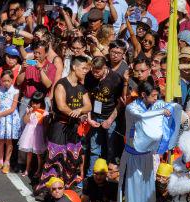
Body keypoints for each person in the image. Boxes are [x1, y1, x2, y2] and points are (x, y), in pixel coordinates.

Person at [118, 80, 175, 202]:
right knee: (133, 190)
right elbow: (142, 117)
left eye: (157, 96)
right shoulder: (131, 108)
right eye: (154, 96)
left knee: (146, 188)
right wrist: (161, 112)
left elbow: (167, 108)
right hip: (133, 156)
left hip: (148, 155)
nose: (156, 99)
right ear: (143, 95)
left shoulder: (153, 105)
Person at [37, 55, 91, 192]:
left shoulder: (81, 87)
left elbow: (88, 106)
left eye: (87, 68)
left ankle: (66, 186)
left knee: (72, 157)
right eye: (84, 68)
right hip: (60, 126)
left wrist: (79, 110)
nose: (86, 71)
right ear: (74, 67)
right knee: (55, 158)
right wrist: (76, 112)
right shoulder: (61, 84)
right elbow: (61, 106)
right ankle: (48, 189)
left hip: (73, 127)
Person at [84, 55, 124, 175]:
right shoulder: (89, 77)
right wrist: (89, 118)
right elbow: (88, 98)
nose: (95, 74)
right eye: (93, 71)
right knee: (94, 148)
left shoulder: (115, 79)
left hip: (110, 117)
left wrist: (110, 120)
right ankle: (91, 175)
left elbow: (120, 103)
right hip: (94, 116)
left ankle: (109, 176)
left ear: (105, 67)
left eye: (98, 71)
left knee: (111, 150)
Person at [0, 69, 20, 174]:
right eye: (4, 80)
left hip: (10, 118)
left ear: (12, 80)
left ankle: (7, 162)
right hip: (0, 118)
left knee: (9, 141)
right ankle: (0, 161)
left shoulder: (15, 91)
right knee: (0, 140)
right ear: (1, 80)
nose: (6, 83)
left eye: (8, 80)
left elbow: (12, 109)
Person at [18, 91, 47, 179]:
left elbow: (45, 126)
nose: (34, 105)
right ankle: (27, 169)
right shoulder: (29, 110)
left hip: (38, 134)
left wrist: (45, 136)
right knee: (29, 153)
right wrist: (28, 113)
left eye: (37, 103)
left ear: (41, 104)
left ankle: (39, 170)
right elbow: (26, 121)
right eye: (33, 102)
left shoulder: (44, 113)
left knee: (38, 154)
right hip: (29, 133)